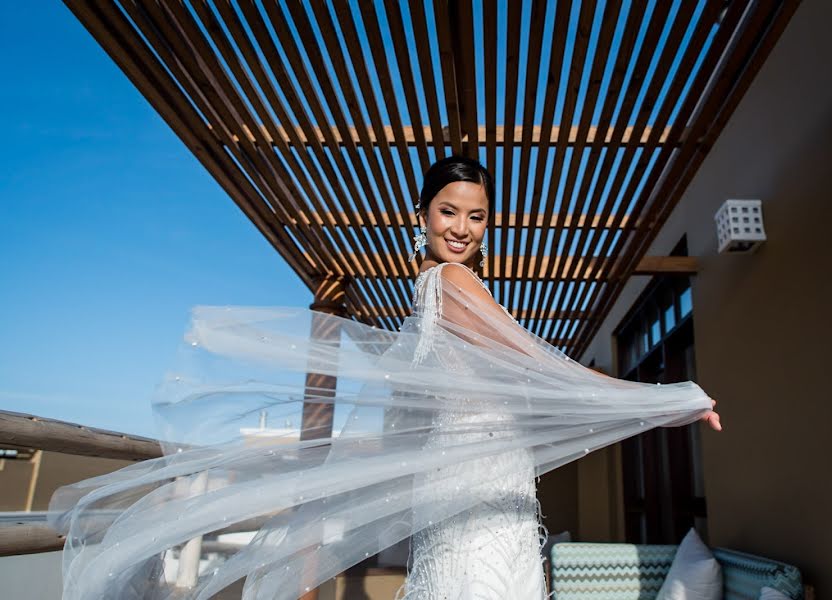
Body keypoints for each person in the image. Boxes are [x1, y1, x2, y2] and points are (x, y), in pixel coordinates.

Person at [48, 156, 721, 600]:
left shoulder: (422, 295)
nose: (461, 228)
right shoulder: (453, 283)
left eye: (475, 216)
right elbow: (541, 366)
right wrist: (669, 400)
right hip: (480, 492)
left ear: (488, 225)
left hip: (462, 484)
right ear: (422, 216)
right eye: (448, 211)